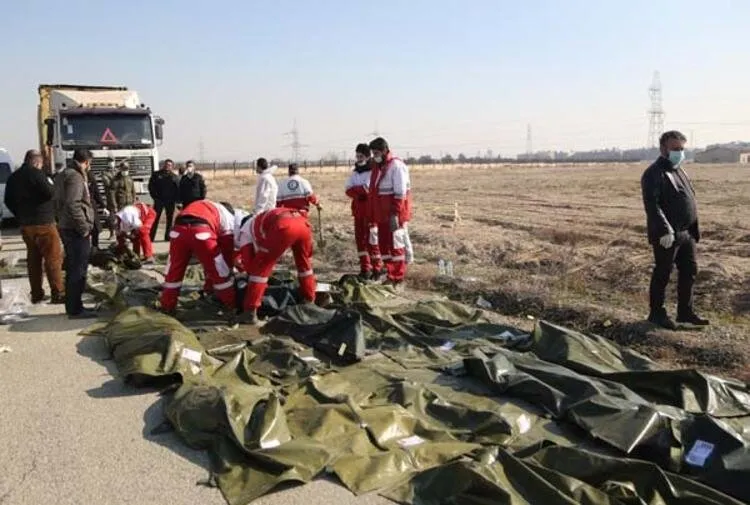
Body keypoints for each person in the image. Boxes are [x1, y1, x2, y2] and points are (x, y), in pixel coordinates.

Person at [641, 130, 709, 330]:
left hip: (686, 233)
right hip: (668, 236)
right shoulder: (654, 173)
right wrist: (664, 230)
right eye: (675, 149)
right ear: (663, 149)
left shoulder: (679, 170)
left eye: (682, 149)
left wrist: (693, 228)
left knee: (689, 271)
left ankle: (685, 312)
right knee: (663, 272)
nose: (680, 153)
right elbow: (652, 205)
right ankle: (656, 313)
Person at [3, 149, 64, 304]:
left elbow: (8, 200)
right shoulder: (38, 174)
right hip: (44, 223)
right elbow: (50, 192)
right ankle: (58, 293)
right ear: (37, 162)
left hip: (26, 225)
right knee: (53, 259)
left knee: (34, 260)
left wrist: (20, 215)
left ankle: (36, 294)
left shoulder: (13, 178)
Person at [236, 207, 316, 324]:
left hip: (283, 226)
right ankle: (309, 300)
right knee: (305, 265)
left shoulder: (244, 232)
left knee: (260, 270)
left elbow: (250, 266)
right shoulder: (258, 220)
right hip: (302, 222)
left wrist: (248, 277)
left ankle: (250, 312)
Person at [159, 199, 236, 314]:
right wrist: (230, 269)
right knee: (220, 271)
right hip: (201, 231)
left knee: (174, 271)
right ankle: (231, 305)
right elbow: (226, 249)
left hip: (178, 231)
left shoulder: (203, 205)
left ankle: (167, 305)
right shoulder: (228, 216)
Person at [54, 148, 97, 319]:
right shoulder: (75, 176)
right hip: (75, 229)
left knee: (73, 267)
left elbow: (57, 201)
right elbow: (73, 204)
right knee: (78, 270)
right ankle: (75, 308)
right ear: (86, 162)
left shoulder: (63, 174)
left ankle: (74, 305)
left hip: (66, 226)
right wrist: (84, 227)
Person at [368, 137, 412, 289]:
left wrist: (395, 214)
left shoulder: (396, 166)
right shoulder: (378, 167)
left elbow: (400, 193)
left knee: (396, 245)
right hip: (381, 213)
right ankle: (390, 273)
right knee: (384, 245)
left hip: (394, 213)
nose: (375, 156)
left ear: (385, 150)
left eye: (377, 152)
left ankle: (398, 278)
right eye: (373, 153)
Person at [345, 143, 383, 279]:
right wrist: (358, 192)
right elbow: (348, 189)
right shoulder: (355, 172)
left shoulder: (372, 171)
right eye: (357, 155)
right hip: (358, 212)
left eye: (361, 156)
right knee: (360, 241)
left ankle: (377, 269)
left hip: (370, 212)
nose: (358, 158)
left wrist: (359, 191)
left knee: (372, 241)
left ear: (367, 157)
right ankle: (365, 269)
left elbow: (368, 189)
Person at [148, 159, 180, 242]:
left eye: (169, 165)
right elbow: (151, 187)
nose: (167, 166)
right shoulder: (156, 175)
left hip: (170, 202)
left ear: (172, 166)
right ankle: (151, 237)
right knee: (155, 219)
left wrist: (176, 200)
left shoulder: (174, 177)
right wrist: (155, 197)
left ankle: (168, 237)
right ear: (164, 165)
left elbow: (178, 189)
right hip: (159, 201)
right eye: (166, 164)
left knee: (169, 220)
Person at [87, 170, 109, 249]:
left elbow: (97, 193)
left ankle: (95, 247)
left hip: (92, 206)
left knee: (95, 229)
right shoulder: (78, 179)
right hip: (83, 207)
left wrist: (103, 206)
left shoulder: (91, 178)